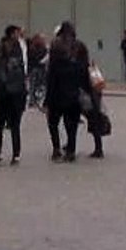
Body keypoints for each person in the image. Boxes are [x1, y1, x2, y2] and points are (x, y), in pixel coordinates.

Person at [45, 21, 91, 162]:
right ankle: (71, 150)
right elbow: (85, 70)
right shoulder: (80, 46)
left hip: (58, 91)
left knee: (53, 122)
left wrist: (48, 96)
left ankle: (56, 149)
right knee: (72, 124)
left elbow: (51, 72)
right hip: (74, 91)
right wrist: (87, 90)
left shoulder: (55, 46)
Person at [0, 25, 27, 165]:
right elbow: (3, 68)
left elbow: (0, 69)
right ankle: (14, 154)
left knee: (1, 124)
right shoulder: (10, 46)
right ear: (11, 33)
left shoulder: (12, 46)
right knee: (12, 124)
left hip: (7, 91)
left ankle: (0, 153)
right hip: (13, 90)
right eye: (16, 32)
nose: (19, 34)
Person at [26, 33, 48, 109]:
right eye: (43, 39)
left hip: (39, 69)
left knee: (35, 85)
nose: (44, 41)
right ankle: (32, 100)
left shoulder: (42, 48)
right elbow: (35, 59)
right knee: (33, 85)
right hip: (35, 69)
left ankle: (34, 100)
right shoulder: (34, 48)